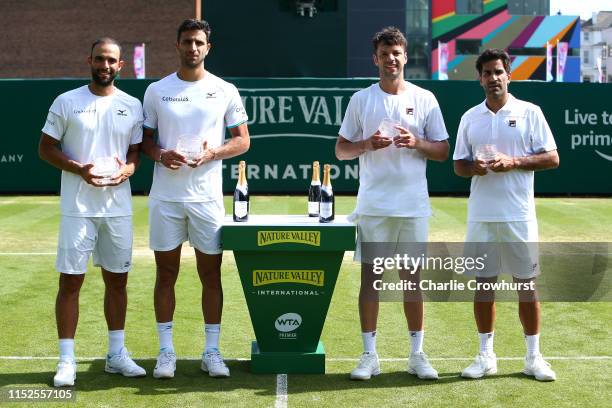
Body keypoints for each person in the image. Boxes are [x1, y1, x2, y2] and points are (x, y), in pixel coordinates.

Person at [336, 27, 449, 380]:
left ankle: (416, 355)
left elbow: (443, 150)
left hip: (413, 205)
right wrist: (367, 145)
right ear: (376, 59)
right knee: (372, 279)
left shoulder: (426, 98)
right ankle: (369, 356)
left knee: (411, 280)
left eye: (397, 53)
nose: (391, 59)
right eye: (385, 54)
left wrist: (416, 142)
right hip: (373, 205)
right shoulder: (361, 100)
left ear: (404, 56)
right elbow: (341, 150)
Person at [141, 19, 249, 379]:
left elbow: (242, 140)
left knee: (211, 275)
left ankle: (211, 351)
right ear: (177, 45)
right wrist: (160, 156)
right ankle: (166, 353)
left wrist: (212, 153)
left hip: (206, 199)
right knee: (165, 273)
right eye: (187, 41)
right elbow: (145, 142)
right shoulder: (157, 90)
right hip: (166, 198)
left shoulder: (224, 89)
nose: (193, 48)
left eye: (199, 42)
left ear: (208, 48)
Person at [38, 38, 146, 387]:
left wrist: (129, 170)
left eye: (111, 60)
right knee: (71, 281)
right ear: (90, 61)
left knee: (118, 281)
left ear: (120, 66)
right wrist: (78, 167)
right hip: (77, 208)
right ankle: (66, 360)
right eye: (100, 58)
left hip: (117, 208)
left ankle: (116, 355)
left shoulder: (132, 105)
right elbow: (45, 149)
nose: (105, 65)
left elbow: (134, 154)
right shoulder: (66, 102)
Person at [453, 49, 559, 381]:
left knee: (527, 287)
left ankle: (533, 358)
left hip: (519, 214)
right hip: (482, 216)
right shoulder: (470, 117)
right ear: (479, 78)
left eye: (499, 72)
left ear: (508, 75)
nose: (493, 78)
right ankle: (485, 357)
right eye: (487, 73)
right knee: (484, 287)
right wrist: (476, 169)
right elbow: (458, 165)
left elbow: (552, 158)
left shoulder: (531, 113)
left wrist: (513, 162)